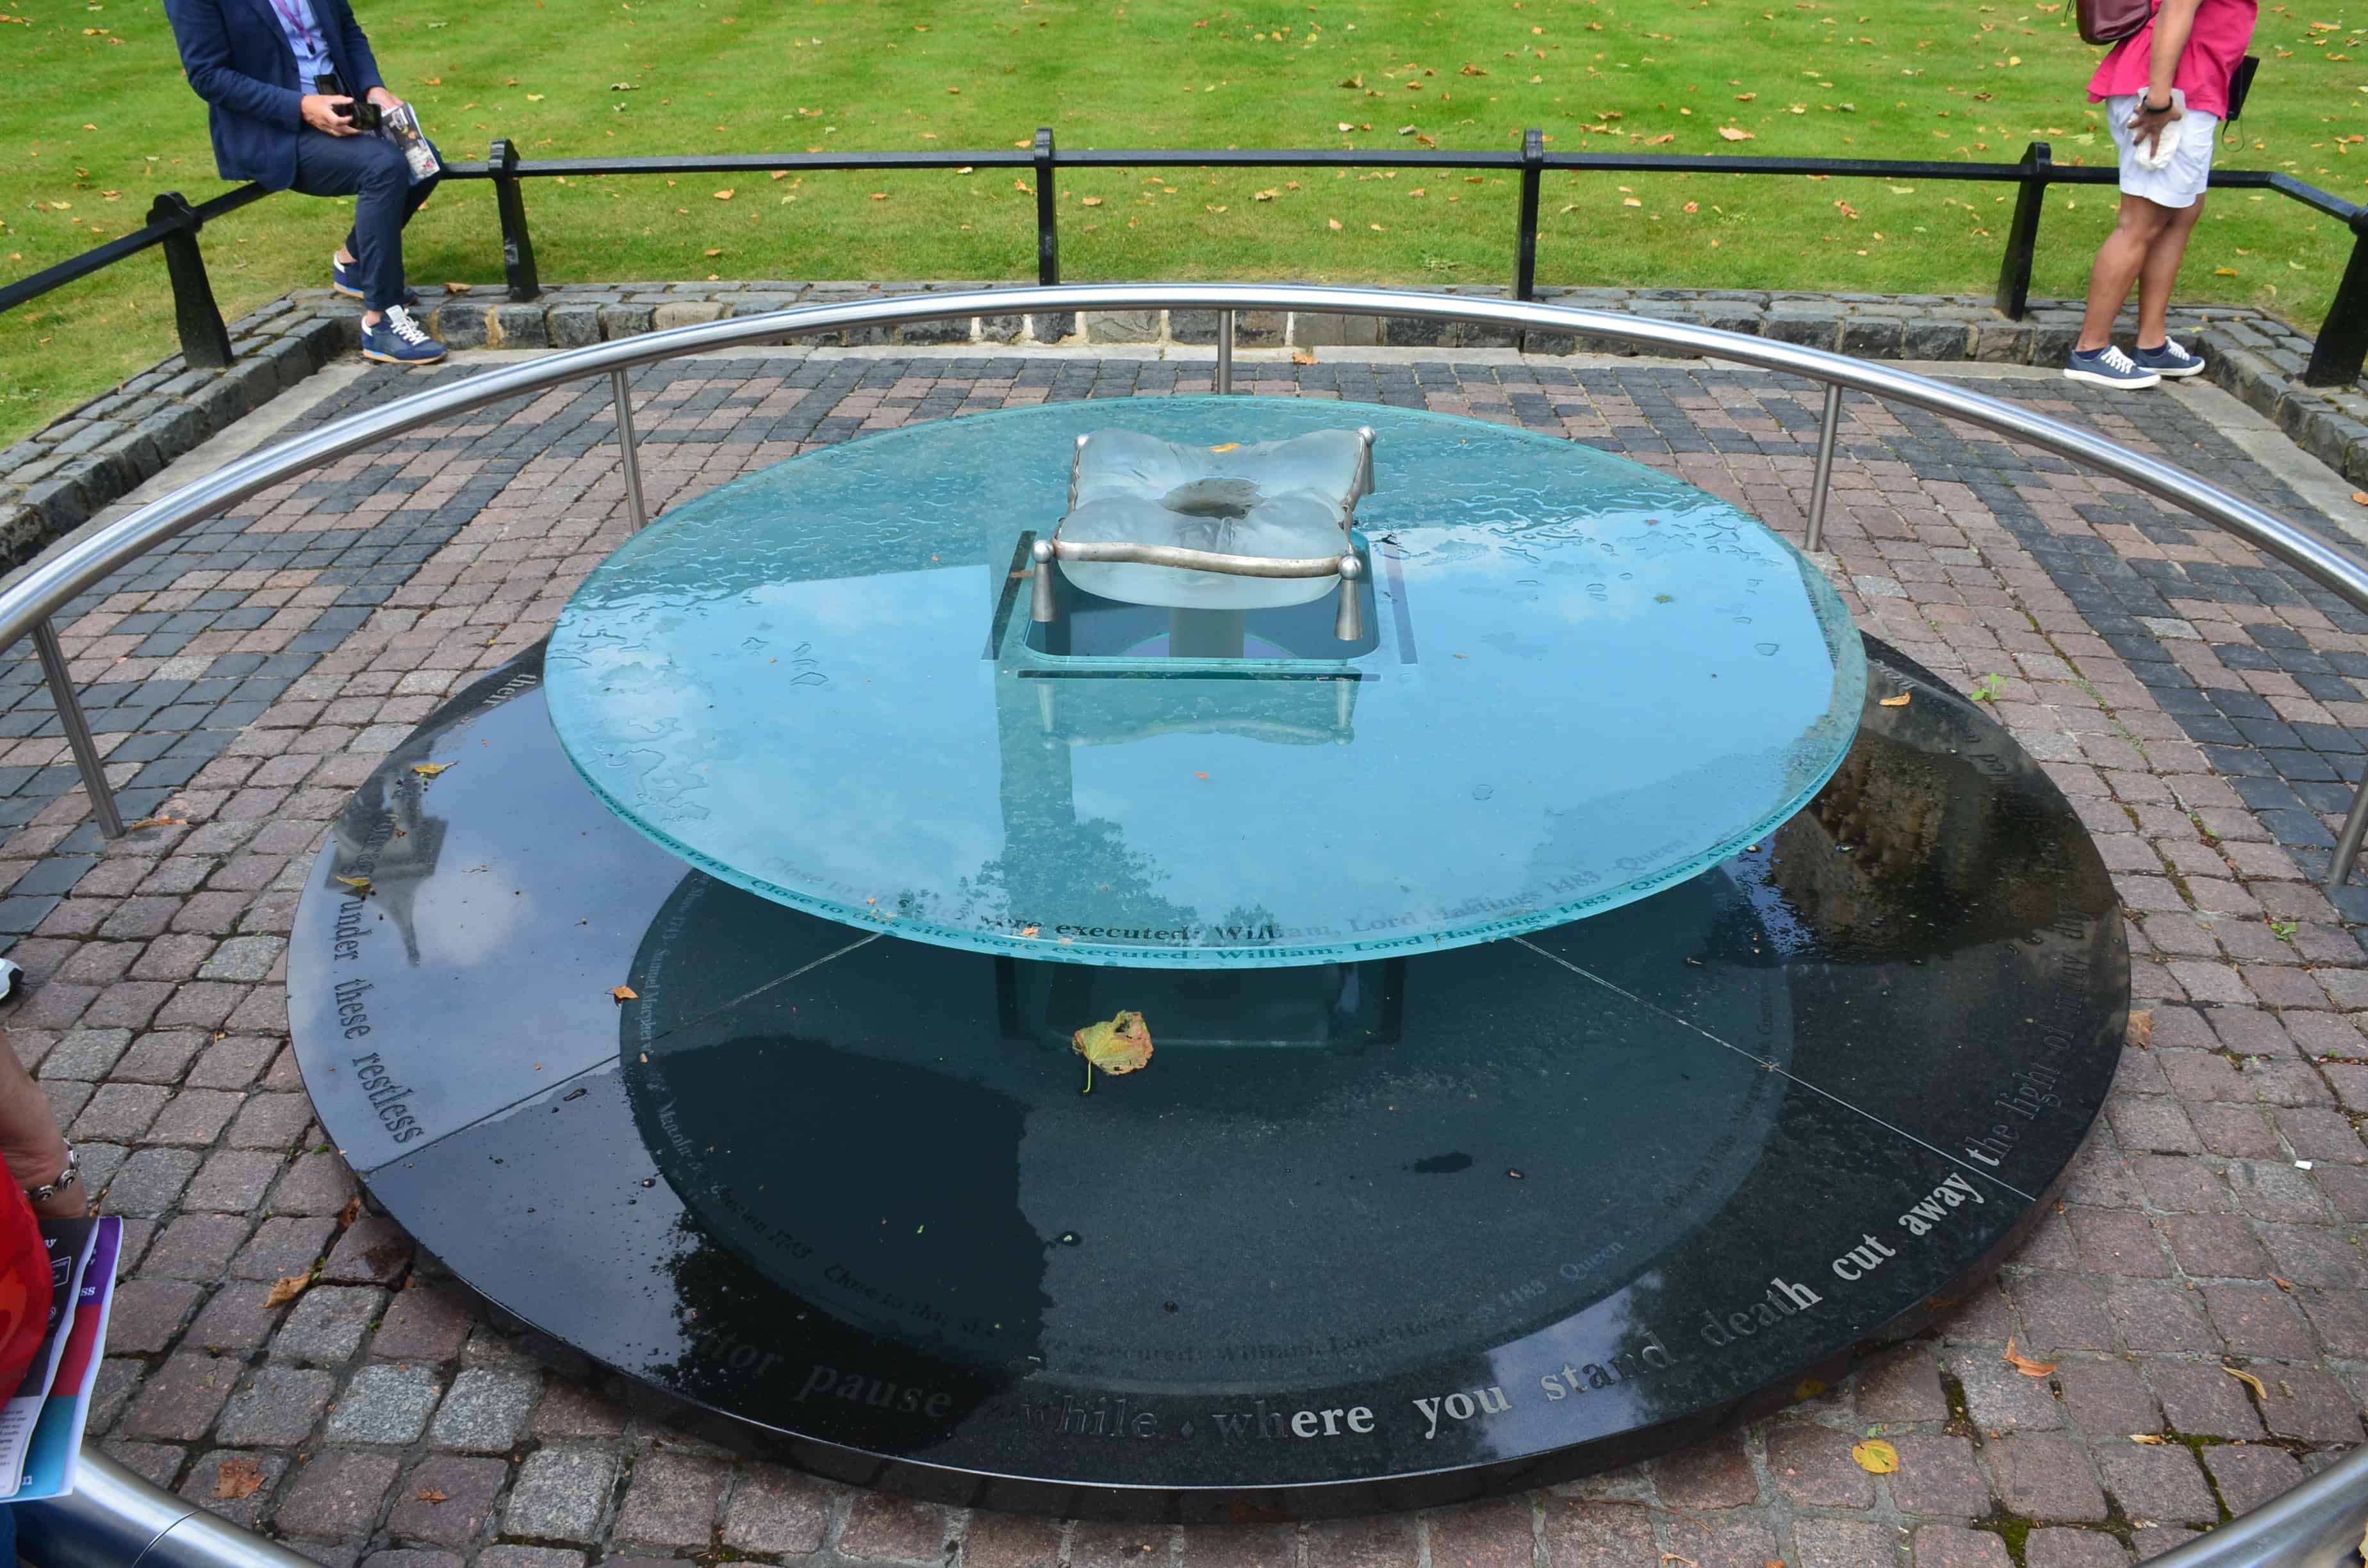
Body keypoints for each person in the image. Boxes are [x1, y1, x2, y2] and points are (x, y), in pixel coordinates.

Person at [163, 0, 447, 364]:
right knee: (385, 166)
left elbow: (346, 28)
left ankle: (356, 264)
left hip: (341, 106)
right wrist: (301, 106)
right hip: (273, 129)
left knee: (423, 160)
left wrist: (372, 86)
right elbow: (208, 75)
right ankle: (381, 323)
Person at [2065, 0, 2258, 389]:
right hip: (2171, 92)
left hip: (2194, 88)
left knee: (2181, 213)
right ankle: (2091, 350)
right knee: (2141, 222)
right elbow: (2177, 9)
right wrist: (2158, 99)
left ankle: (2151, 343)